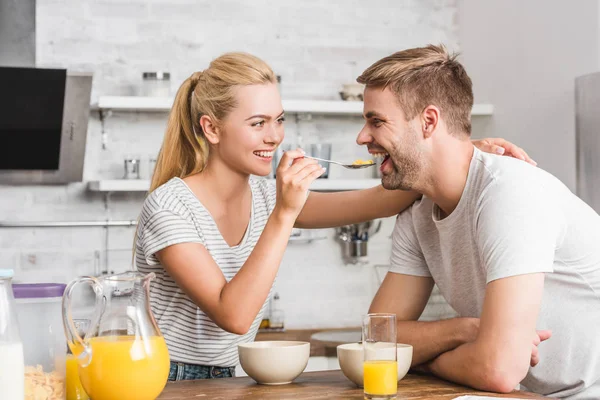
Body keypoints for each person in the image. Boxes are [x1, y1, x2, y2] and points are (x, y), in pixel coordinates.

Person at [134, 52, 532, 382]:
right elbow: (234, 315)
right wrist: (285, 212)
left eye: (279, 119)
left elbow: (377, 201)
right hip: (162, 377)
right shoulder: (169, 207)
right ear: (211, 129)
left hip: (229, 377)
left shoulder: (264, 197)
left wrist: (453, 152)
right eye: (258, 123)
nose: (275, 137)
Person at [359, 44, 600, 398]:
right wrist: (465, 331)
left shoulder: (510, 193)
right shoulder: (418, 212)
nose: (362, 137)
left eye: (376, 121)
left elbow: (497, 370)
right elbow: (377, 342)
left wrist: (418, 360)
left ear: (429, 121)